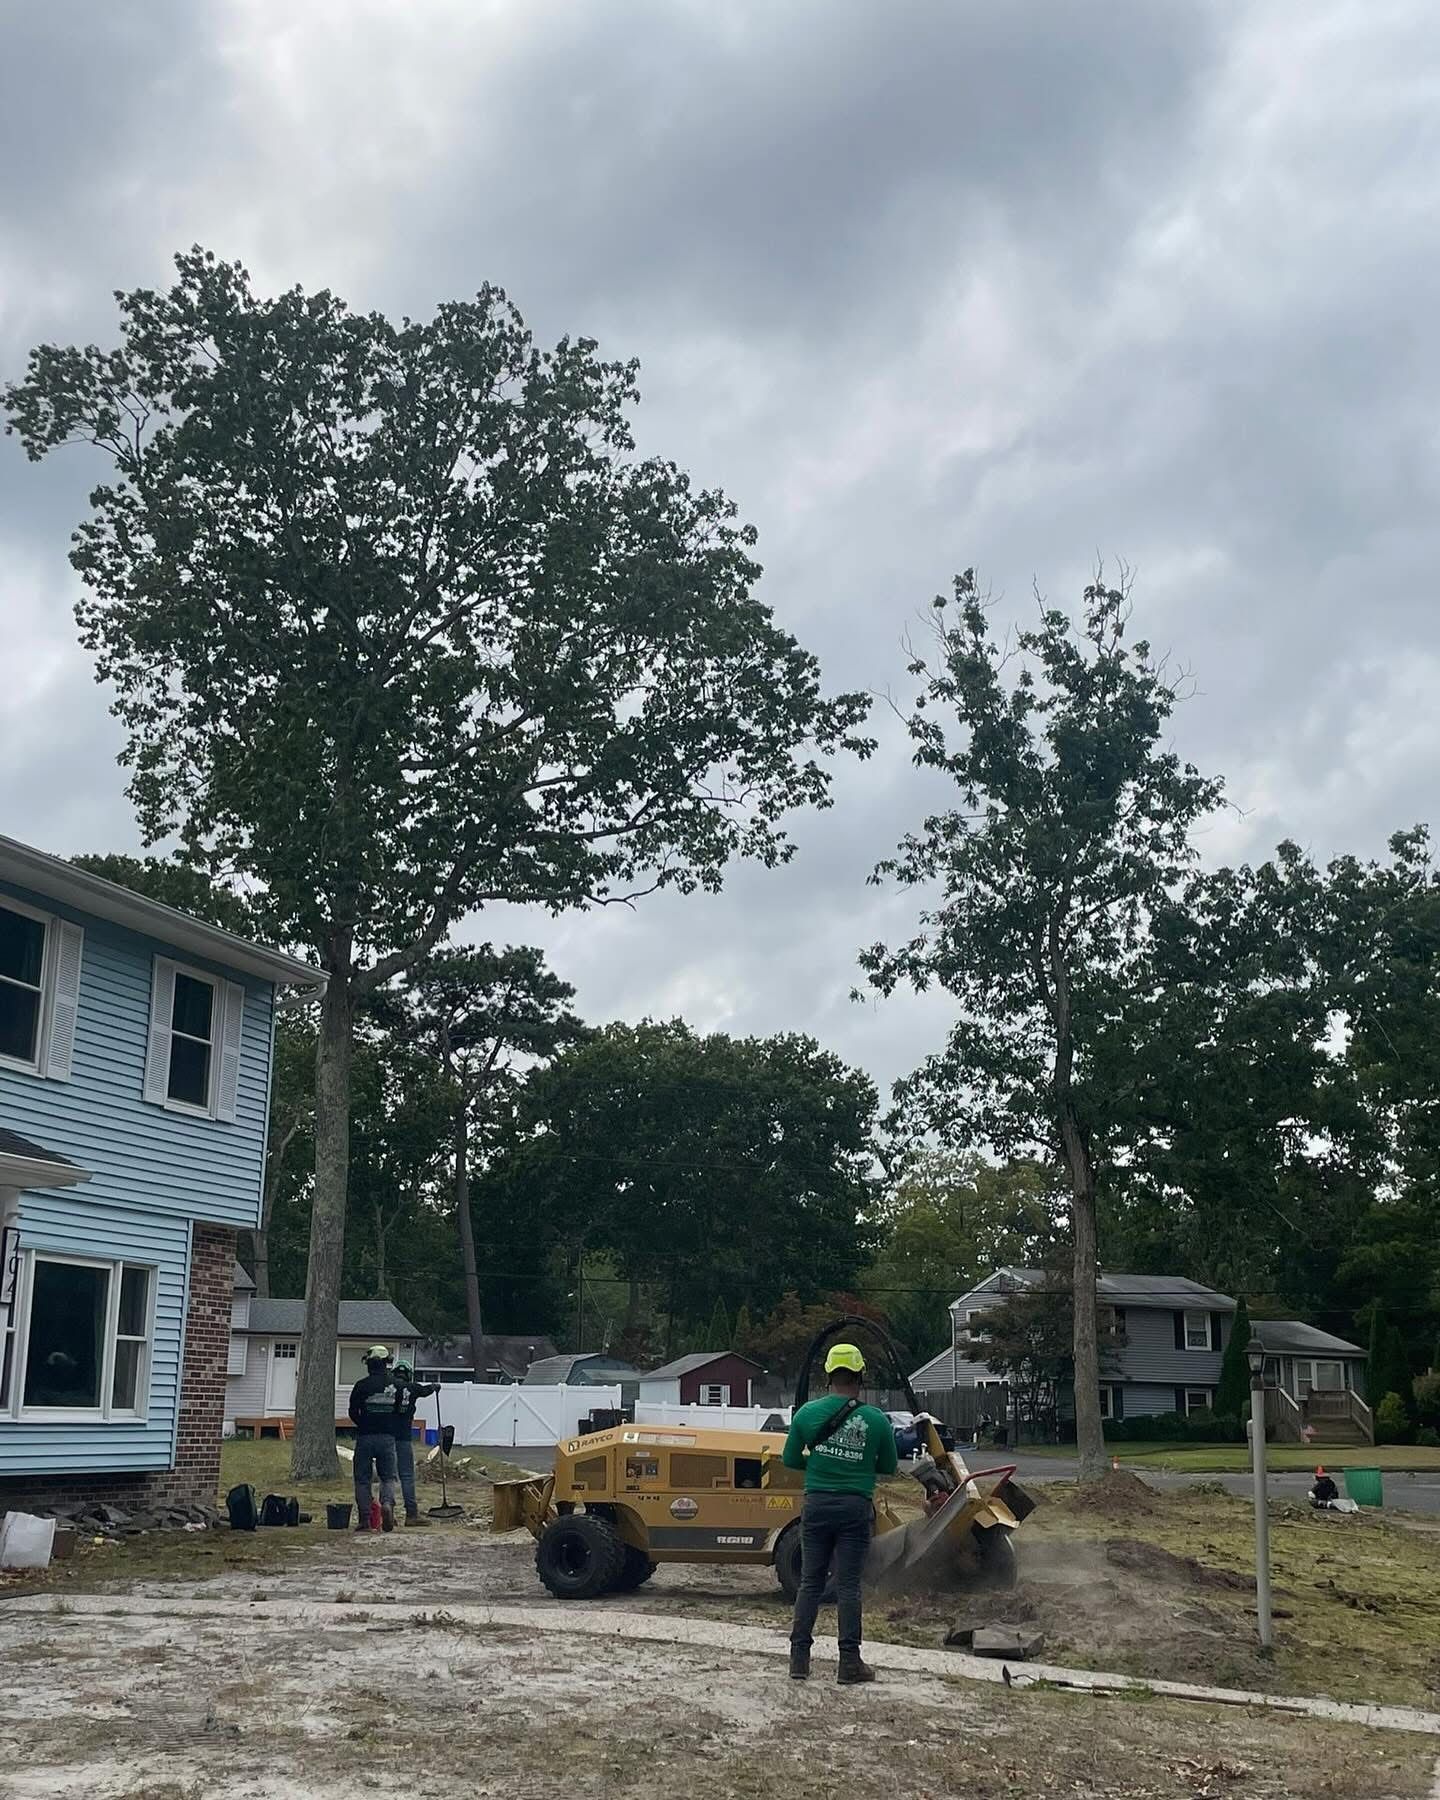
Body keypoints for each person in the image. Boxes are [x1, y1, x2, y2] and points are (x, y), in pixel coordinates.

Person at [783, 1342, 898, 1685]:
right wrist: (856, 1463)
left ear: (829, 1375)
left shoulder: (805, 1414)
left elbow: (790, 1459)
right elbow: (889, 1466)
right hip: (854, 1507)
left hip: (816, 1504)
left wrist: (819, 1461)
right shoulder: (875, 1420)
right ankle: (849, 1663)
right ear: (861, 1376)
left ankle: (799, 1660)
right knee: (848, 1584)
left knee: (810, 1581)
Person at [348, 1345, 400, 1532]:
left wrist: (363, 1423)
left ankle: (365, 1519)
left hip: (365, 1436)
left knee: (362, 1479)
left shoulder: (361, 1386)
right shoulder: (395, 1385)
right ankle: (387, 1504)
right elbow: (401, 1410)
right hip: (387, 1437)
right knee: (387, 1478)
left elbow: (352, 1412)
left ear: (369, 1364)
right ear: (386, 1364)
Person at [390, 1360, 440, 1527]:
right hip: (404, 1437)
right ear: (409, 1374)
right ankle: (411, 1513)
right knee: (407, 1476)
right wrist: (434, 1386)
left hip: (387, 1437)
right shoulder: (412, 1388)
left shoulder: (387, 1388)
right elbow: (426, 1390)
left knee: (388, 1476)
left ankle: (388, 1509)